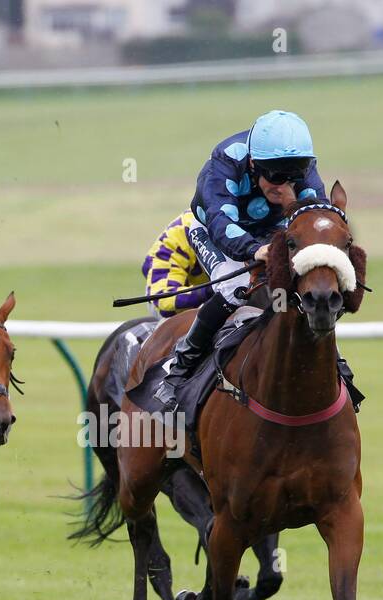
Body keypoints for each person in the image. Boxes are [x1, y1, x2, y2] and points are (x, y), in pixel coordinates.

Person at [150, 110, 358, 411]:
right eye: (275, 175)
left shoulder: (305, 169)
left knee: (306, 285)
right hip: (211, 229)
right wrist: (254, 250)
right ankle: (179, 369)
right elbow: (222, 223)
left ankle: (335, 362)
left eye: (294, 174)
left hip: (272, 230)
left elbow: (314, 218)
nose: (284, 184)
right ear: (252, 163)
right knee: (236, 286)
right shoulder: (224, 163)